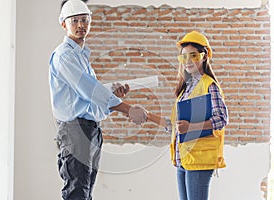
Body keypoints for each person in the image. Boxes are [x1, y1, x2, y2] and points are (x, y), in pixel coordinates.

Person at [48, 0, 147, 199]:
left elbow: (90, 102)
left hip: (90, 129)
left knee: (85, 192)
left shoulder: (82, 57)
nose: (80, 25)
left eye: (84, 20)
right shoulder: (65, 56)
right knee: (77, 192)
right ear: (64, 24)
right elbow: (90, 92)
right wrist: (127, 109)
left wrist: (113, 98)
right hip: (75, 131)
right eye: (74, 21)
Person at [147, 31, 228, 200]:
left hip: (198, 161)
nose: (188, 61)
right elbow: (175, 126)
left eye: (193, 55)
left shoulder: (208, 85)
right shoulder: (185, 89)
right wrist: (148, 116)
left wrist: (192, 127)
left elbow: (221, 118)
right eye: (184, 57)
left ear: (204, 56)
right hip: (183, 160)